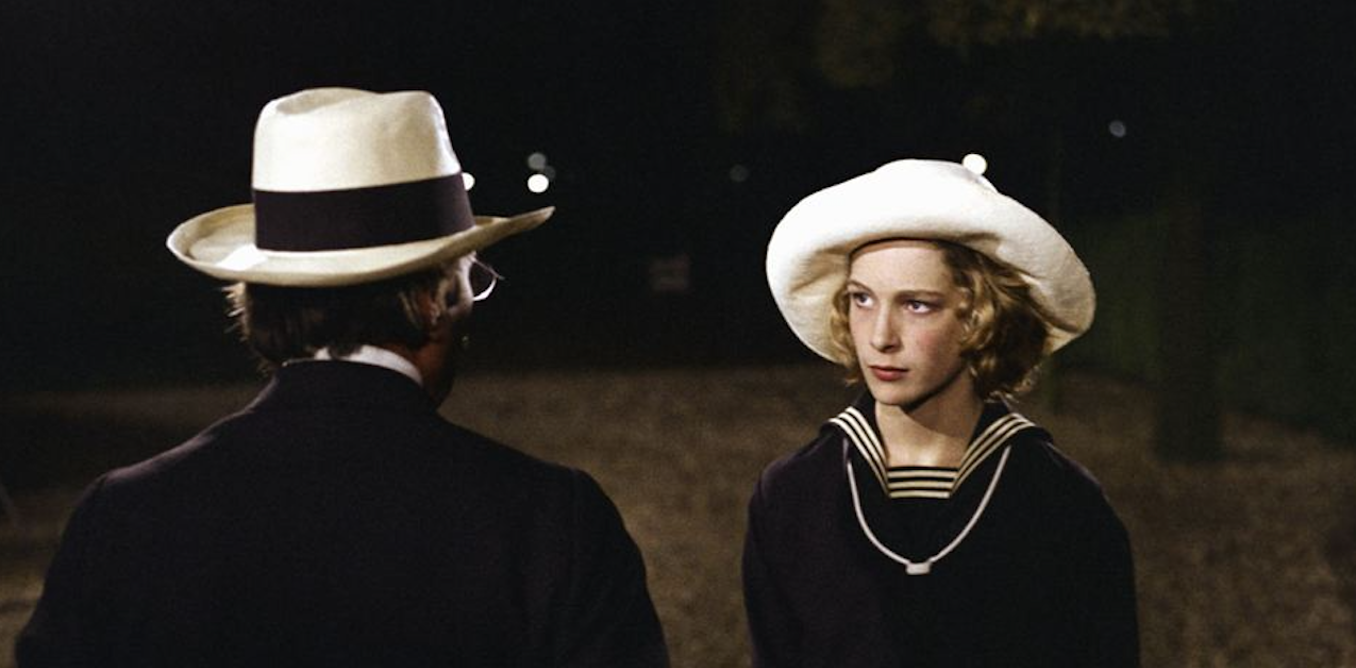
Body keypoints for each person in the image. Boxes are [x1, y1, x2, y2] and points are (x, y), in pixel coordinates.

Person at [17, 88, 668, 667]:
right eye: (469, 279)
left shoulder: (123, 517)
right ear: (435, 301)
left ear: (257, 297)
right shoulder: (550, 522)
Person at [745, 159, 1138, 667]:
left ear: (980, 316)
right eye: (862, 299)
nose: (881, 336)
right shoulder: (793, 496)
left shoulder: (1061, 503)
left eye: (917, 305)